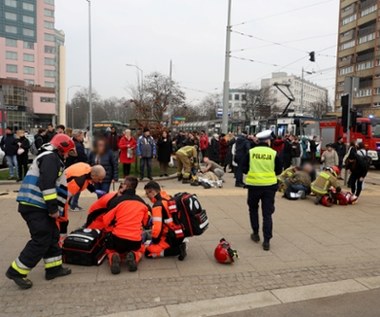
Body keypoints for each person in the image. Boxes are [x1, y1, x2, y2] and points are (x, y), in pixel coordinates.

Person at [5, 134, 76, 289]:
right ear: (61, 147)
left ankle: (53, 269)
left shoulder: (51, 157)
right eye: (67, 151)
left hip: (38, 205)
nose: (67, 155)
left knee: (52, 236)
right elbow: (47, 185)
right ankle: (16, 271)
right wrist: (53, 209)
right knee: (42, 238)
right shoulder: (50, 158)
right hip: (35, 206)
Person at [242, 130, 282, 251]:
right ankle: (266, 241)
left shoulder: (251, 152)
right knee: (267, 214)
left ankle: (255, 233)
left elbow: (243, 168)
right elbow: (279, 170)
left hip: (254, 186)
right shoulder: (274, 153)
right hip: (269, 186)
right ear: (268, 141)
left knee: (253, 209)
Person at [103, 177, 150, 274]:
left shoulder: (117, 201)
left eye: (123, 184)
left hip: (118, 239)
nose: (121, 185)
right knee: (141, 249)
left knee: (110, 250)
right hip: (134, 240)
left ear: (127, 186)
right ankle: (133, 255)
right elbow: (145, 223)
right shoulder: (142, 202)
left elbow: (106, 221)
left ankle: (114, 256)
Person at [144, 181, 187, 260]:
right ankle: (179, 244)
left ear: (152, 192)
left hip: (169, 236)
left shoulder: (157, 206)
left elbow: (157, 229)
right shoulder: (168, 197)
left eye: (147, 193)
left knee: (148, 252)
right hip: (178, 232)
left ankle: (177, 250)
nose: (147, 196)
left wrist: (154, 241)